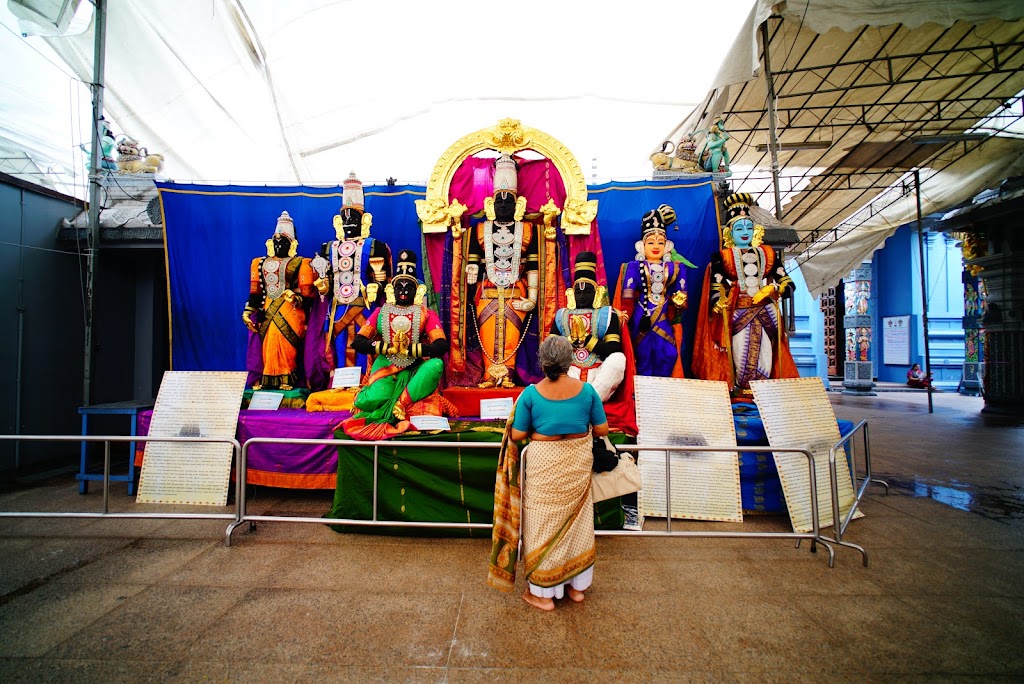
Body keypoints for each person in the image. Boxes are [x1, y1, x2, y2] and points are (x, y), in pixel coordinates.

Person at [487, 335, 609, 611]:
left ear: (542, 362)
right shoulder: (587, 391)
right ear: (569, 362)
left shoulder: (530, 394)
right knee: (576, 525)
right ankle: (576, 589)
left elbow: (517, 435)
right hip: (577, 465)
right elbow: (602, 430)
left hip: (545, 466)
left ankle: (542, 595)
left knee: (542, 525)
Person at [692, 192, 798, 398]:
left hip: (766, 311)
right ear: (730, 232)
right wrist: (717, 303)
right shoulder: (723, 256)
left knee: (766, 353)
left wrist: (773, 289)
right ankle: (743, 391)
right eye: (739, 228)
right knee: (741, 353)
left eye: (748, 228)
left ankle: (763, 394)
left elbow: (787, 283)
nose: (744, 232)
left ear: (755, 230)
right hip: (738, 312)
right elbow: (716, 285)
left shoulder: (768, 254)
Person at [340, 250, 449, 440]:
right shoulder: (382, 312)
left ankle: (400, 403)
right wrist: (386, 348)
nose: (404, 291)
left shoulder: (425, 313)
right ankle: (385, 400)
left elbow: (440, 345)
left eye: (409, 287)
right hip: (386, 363)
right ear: (392, 290)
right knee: (374, 398)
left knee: (436, 365)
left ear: (418, 291)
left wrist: (414, 350)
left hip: (415, 366)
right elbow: (358, 341)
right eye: (399, 287)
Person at [306, 172, 393, 391]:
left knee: (364, 342)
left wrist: (376, 286)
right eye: (344, 218)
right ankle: (340, 382)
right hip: (337, 308)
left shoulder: (375, 246)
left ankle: (364, 381)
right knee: (338, 342)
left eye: (353, 217)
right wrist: (323, 287)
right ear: (338, 221)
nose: (348, 222)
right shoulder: (328, 248)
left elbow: (383, 280)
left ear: (364, 220)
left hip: (364, 306)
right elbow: (324, 280)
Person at [465, 153, 538, 388]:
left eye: (509, 202)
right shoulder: (479, 230)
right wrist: (469, 285)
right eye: (500, 201)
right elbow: (473, 264)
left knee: (511, 339)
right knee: (487, 337)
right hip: (486, 292)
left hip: (517, 293)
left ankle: (507, 376)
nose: (504, 205)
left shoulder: (528, 230)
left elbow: (534, 267)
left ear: (517, 205)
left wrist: (533, 300)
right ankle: (489, 376)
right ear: (491, 204)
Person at [242, 211, 315, 390]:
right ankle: (267, 379)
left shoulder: (302, 263)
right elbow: (255, 292)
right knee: (268, 343)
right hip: (267, 310)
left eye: (283, 242)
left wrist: (295, 298)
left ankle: (287, 378)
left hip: (290, 311)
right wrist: (247, 312)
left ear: (292, 244)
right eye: (275, 241)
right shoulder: (259, 263)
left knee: (285, 343)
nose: (278, 245)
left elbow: (308, 296)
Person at [616, 204, 689, 377]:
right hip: (642, 314)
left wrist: (679, 303)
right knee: (642, 353)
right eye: (651, 242)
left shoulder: (676, 268)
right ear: (642, 245)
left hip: (664, 312)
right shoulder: (633, 266)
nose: (656, 246)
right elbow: (628, 293)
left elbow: (682, 293)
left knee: (669, 352)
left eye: (660, 242)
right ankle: (643, 389)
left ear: (667, 245)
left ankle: (663, 388)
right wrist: (626, 312)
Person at [550, 251, 626, 401]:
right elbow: (550, 351)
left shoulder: (607, 315)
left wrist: (587, 340)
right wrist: (570, 343)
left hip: (598, 374)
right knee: (551, 362)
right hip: (569, 373)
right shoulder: (561, 315)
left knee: (618, 359)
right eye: (578, 292)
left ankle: (587, 401)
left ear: (597, 293)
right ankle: (585, 401)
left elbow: (613, 350)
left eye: (588, 291)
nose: (582, 296)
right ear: (571, 294)